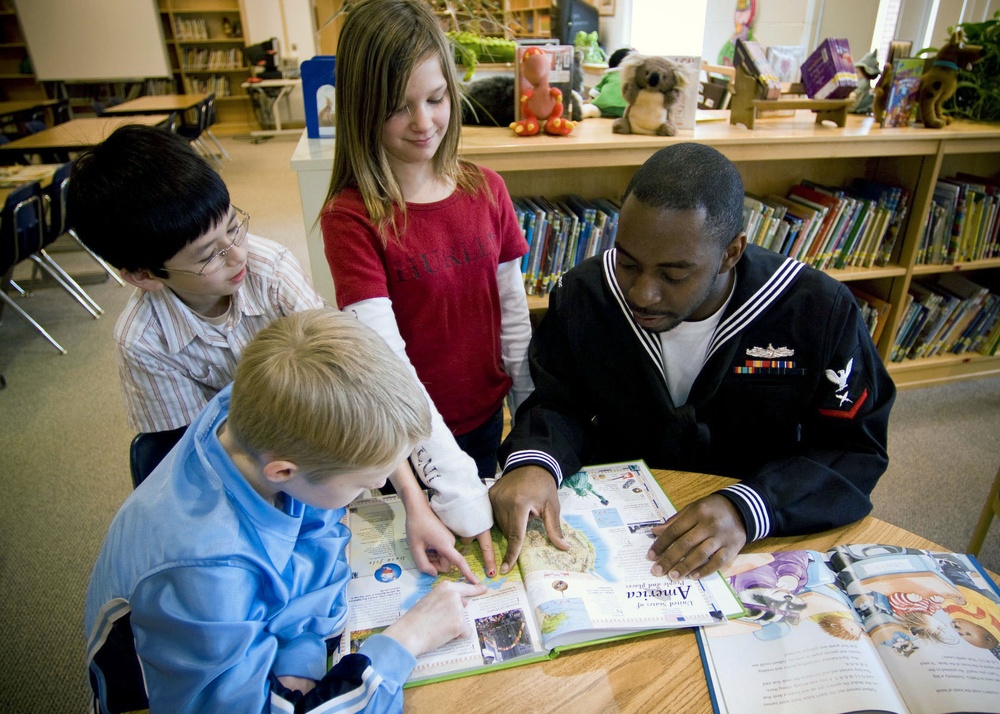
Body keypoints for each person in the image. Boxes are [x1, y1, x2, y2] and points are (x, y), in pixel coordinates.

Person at [491, 142, 895, 581]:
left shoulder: (816, 311)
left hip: (759, 531)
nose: (642, 293)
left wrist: (749, 508)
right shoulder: (587, 292)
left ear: (731, 252)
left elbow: (854, 447)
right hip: (617, 530)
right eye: (628, 262)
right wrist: (534, 460)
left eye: (674, 274)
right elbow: (556, 403)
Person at [84, 309, 488, 713]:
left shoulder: (260, 416)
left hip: (233, 641)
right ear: (283, 471)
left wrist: (302, 650)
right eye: (364, 484)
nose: (371, 490)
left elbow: (313, 531)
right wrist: (408, 638)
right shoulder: (203, 570)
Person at [319, 0, 533, 562]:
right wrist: (450, 479)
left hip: (486, 418)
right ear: (363, 110)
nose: (423, 122)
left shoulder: (488, 189)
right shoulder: (352, 217)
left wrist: (530, 422)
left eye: (436, 99)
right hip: (407, 440)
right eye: (398, 107)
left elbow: (513, 314)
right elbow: (383, 358)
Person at [67, 124, 327, 438]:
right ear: (144, 275)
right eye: (208, 256)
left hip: (314, 418)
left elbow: (333, 360)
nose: (237, 256)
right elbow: (190, 444)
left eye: (232, 228)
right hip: (232, 449)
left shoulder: (271, 268)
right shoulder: (144, 342)